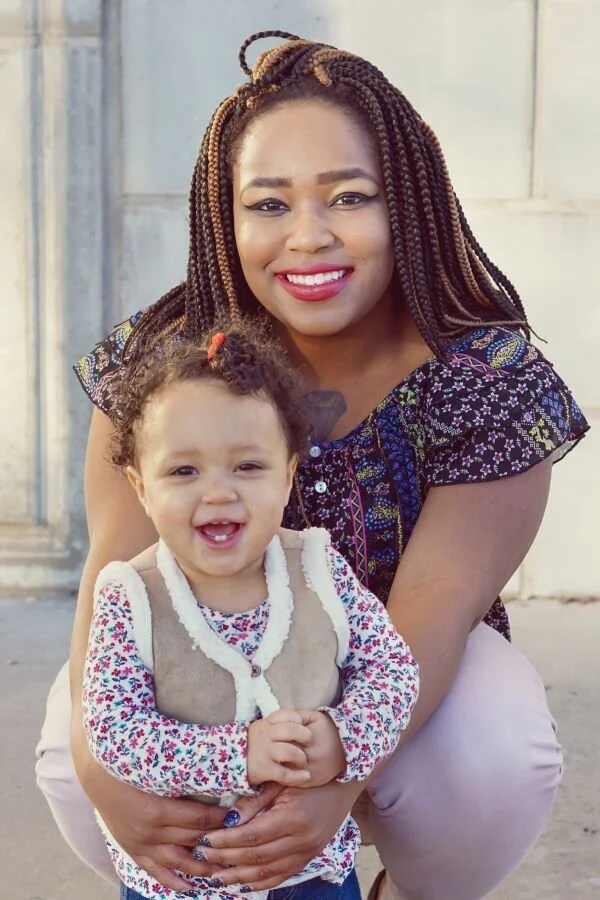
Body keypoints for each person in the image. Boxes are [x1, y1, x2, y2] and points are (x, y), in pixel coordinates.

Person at [36, 30, 589, 900]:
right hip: (206, 657)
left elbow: (437, 606)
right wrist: (100, 768)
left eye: (349, 196)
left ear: (406, 204)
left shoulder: (483, 380)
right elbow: (117, 569)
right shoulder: (167, 368)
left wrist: (337, 779)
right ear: (225, 217)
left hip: (401, 675)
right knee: (73, 757)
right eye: (268, 204)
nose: (308, 237)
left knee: (497, 752)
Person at [82, 323, 418, 900]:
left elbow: (392, 672)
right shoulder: (130, 597)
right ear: (141, 488)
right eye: (184, 471)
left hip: (311, 873)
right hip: (185, 881)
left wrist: (343, 738)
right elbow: (115, 732)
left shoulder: (318, 571)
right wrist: (241, 754)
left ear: (288, 476)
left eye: (247, 467)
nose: (218, 493)